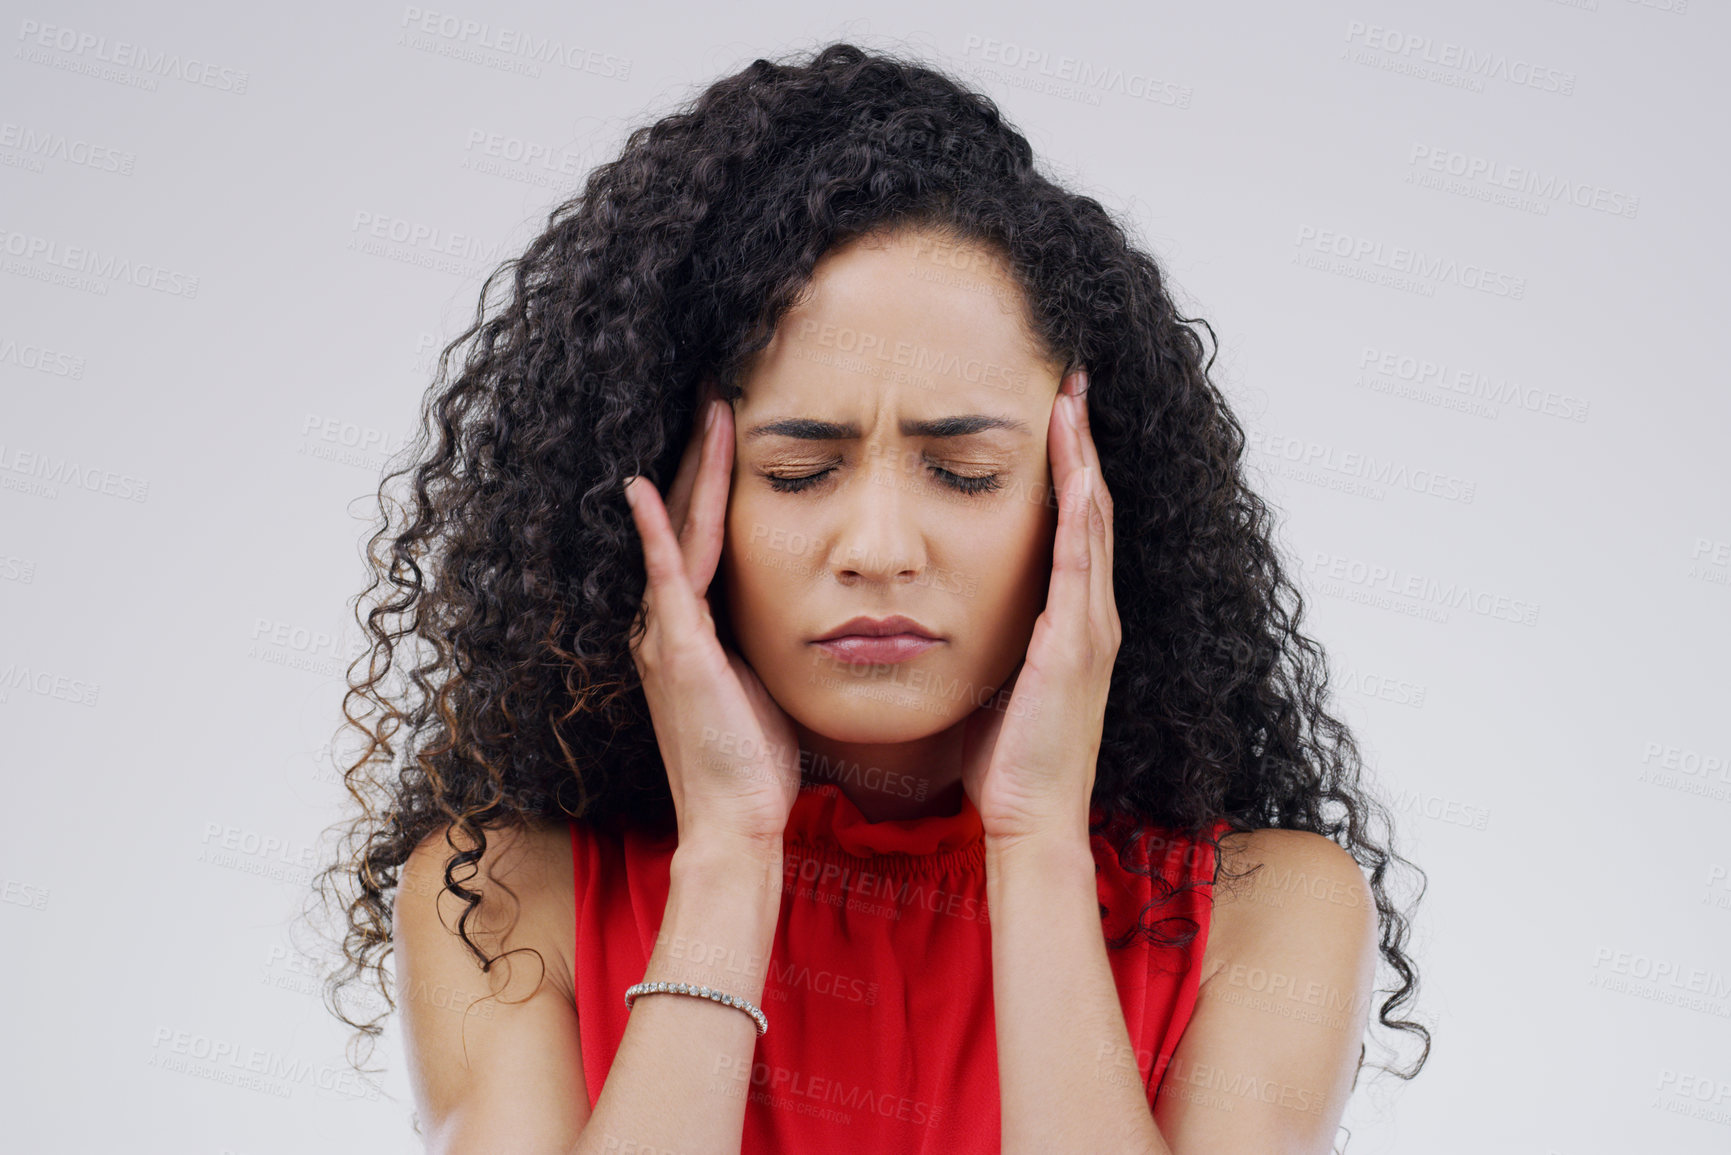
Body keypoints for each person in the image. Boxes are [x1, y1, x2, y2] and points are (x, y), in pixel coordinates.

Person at [313, 41, 1430, 1154]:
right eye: (799, 472)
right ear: (657, 490)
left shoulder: (1261, 910)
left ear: (1079, 498)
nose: (882, 549)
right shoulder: (502, 899)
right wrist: (730, 856)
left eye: (966, 474)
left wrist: (1037, 840)